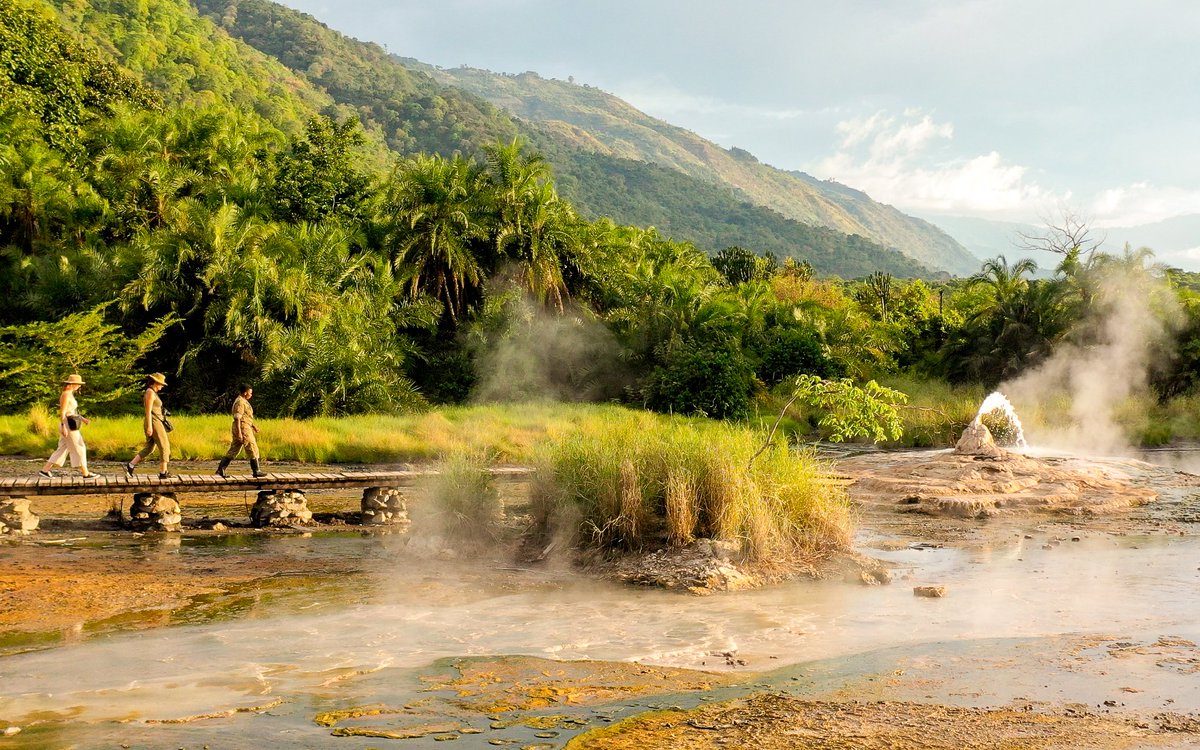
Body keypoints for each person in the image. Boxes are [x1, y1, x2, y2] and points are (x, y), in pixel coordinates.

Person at [40, 373, 97, 479]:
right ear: (72, 384)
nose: (79, 386)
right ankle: (86, 473)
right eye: (78, 384)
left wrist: (83, 419)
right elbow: (63, 412)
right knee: (79, 447)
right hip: (67, 424)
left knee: (62, 448)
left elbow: (72, 411)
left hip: (69, 423)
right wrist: (63, 426)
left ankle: (45, 470)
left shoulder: (70, 394)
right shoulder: (66, 394)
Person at [125, 372, 172, 479]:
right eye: (161, 384)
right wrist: (150, 426)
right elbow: (148, 411)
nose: (161, 387)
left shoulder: (153, 393)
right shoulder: (150, 393)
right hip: (154, 422)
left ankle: (131, 465)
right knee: (165, 446)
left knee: (150, 448)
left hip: (156, 421)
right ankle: (163, 472)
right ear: (155, 383)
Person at [215, 384, 266, 478]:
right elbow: (238, 418)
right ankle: (256, 470)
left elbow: (245, 416)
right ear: (245, 392)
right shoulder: (240, 402)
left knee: (234, 449)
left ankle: (220, 469)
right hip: (243, 428)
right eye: (250, 393)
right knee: (252, 447)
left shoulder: (243, 401)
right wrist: (239, 432)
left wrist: (253, 426)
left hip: (245, 426)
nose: (251, 395)